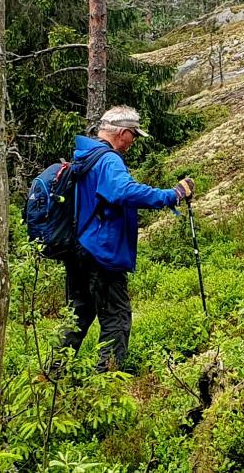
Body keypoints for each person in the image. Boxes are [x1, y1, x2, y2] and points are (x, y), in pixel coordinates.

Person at [64, 106, 196, 372]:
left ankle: (50, 378)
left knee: (76, 317)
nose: (134, 142)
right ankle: (108, 384)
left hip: (78, 250)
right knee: (116, 319)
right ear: (123, 133)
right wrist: (171, 195)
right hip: (103, 254)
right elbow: (123, 191)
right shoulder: (108, 160)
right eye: (134, 135)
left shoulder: (84, 157)